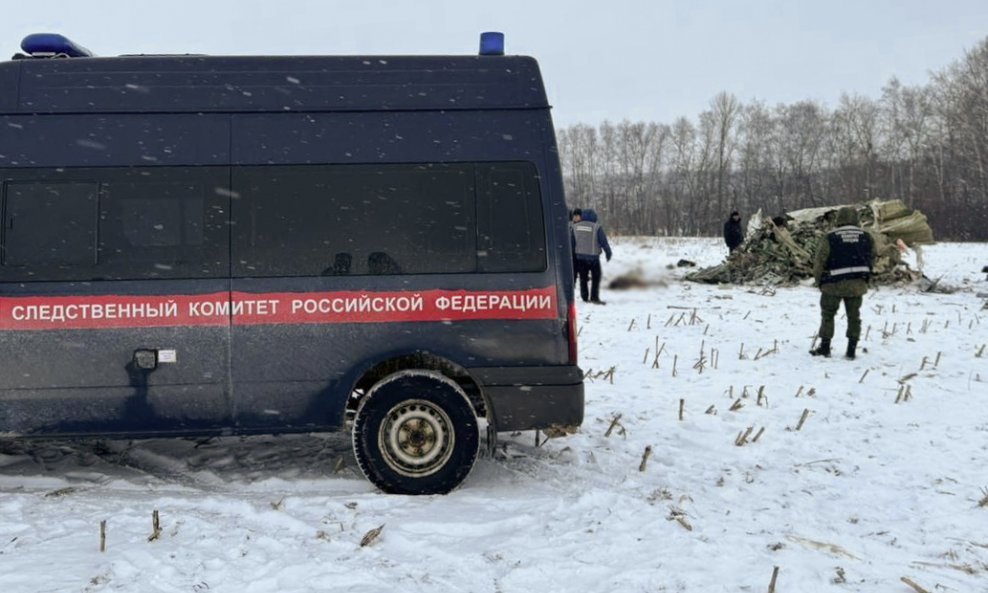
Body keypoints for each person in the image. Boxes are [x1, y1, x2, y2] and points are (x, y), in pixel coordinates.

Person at [810, 206, 875, 360]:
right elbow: (872, 258)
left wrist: (819, 281)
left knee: (828, 315)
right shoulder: (866, 236)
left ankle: (825, 347)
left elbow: (819, 261)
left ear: (839, 219)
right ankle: (851, 350)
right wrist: (866, 279)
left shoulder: (830, 237)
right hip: (857, 284)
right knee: (854, 316)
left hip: (832, 284)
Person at [571, 208, 612, 304]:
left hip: (580, 258)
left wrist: (572, 255)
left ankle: (584, 297)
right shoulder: (597, 227)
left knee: (583, 279)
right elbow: (603, 242)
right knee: (596, 278)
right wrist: (608, 252)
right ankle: (594, 297)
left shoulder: (575, 227)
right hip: (594, 258)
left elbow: (572, 243)